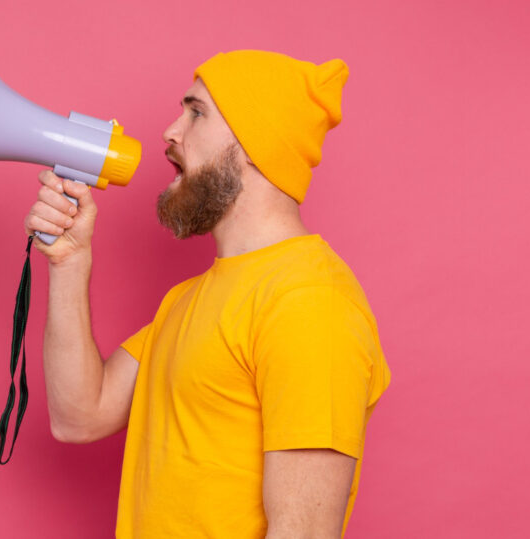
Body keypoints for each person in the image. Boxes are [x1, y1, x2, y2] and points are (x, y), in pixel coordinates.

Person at [23, 50, 390, 538]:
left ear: (257, 145)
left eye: (196, 113)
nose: (170, 132)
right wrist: (69, 262)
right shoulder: (187, 299)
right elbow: (79, 416)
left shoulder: (308, 301)